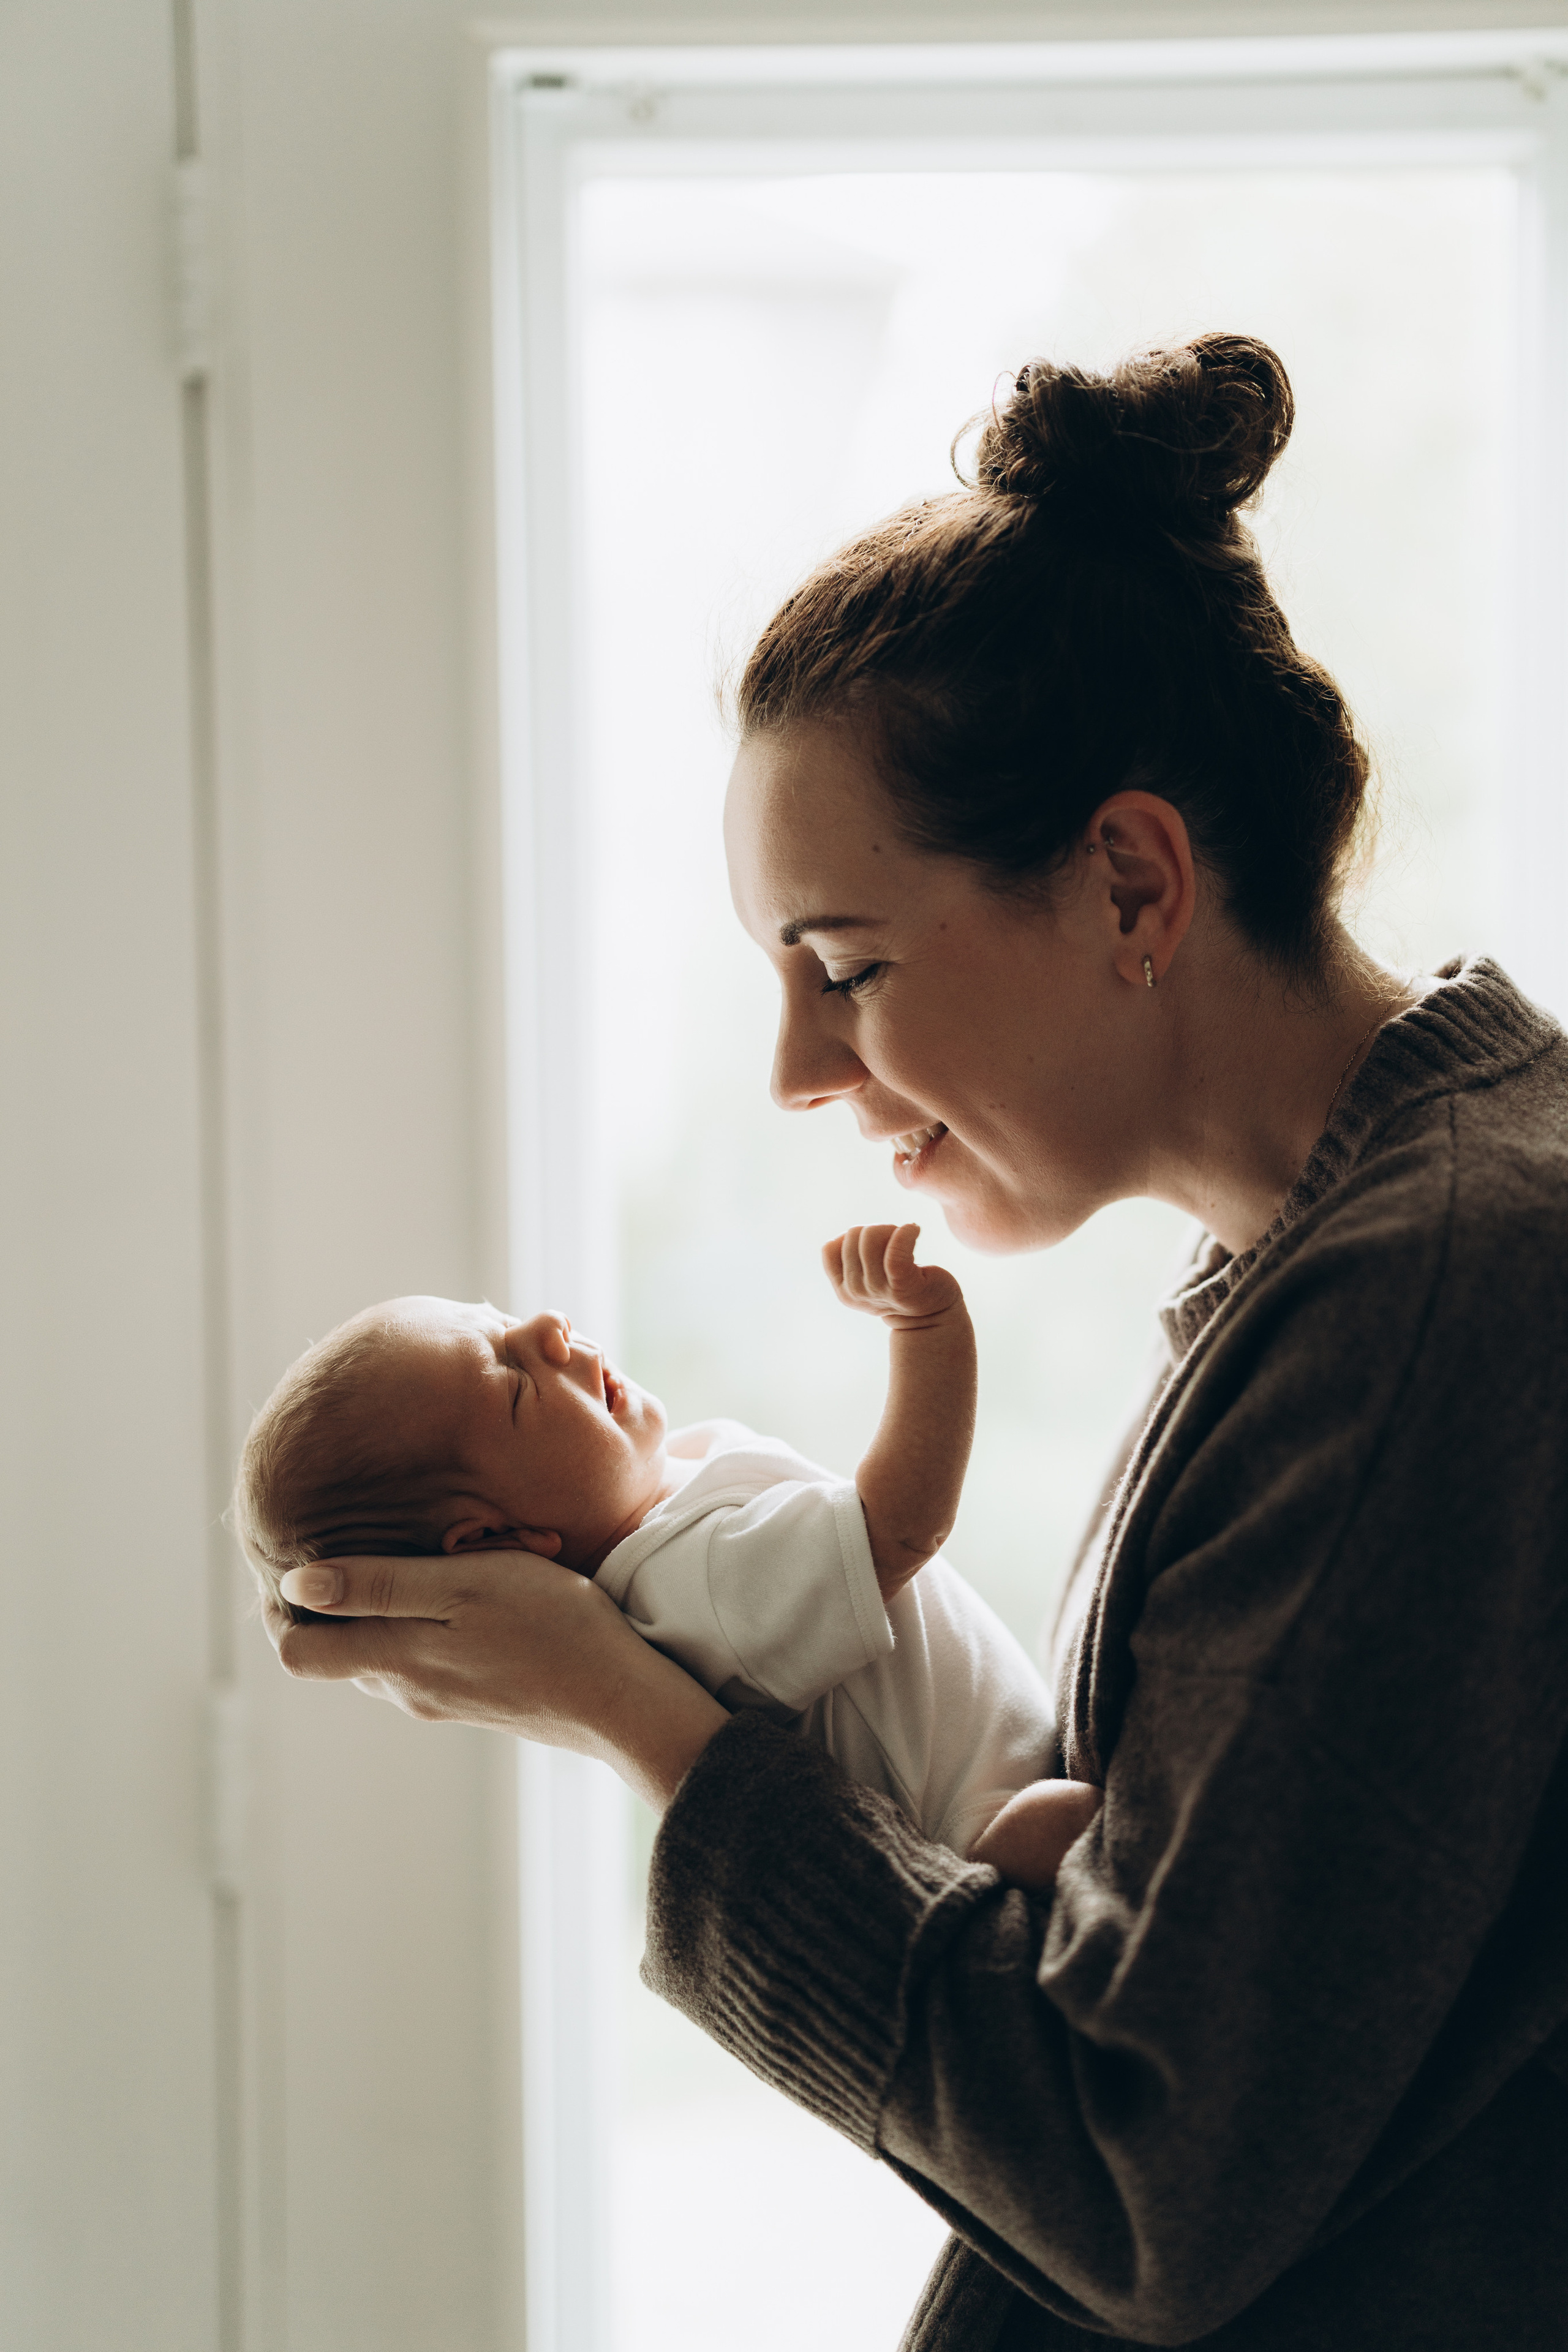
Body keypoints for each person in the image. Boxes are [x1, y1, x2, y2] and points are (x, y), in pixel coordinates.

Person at [266, 333, 1568, 2348]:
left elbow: (1136, 2184)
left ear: (1132, 880)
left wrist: (645, 1721)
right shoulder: (1377, 1259)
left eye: (845, 968)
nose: (798, 1070)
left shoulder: (1429, 1304)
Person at [234, 1227, 1100, 1876]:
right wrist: (929, 1332)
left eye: (499, 1318)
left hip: (1016, 1779)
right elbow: (903, 1525)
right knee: (1077, 1829)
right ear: (495, 1539)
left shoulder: (673, 1513)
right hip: (990, 1837)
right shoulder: (689, 1586)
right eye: (510, 1380)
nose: (546, 1327)